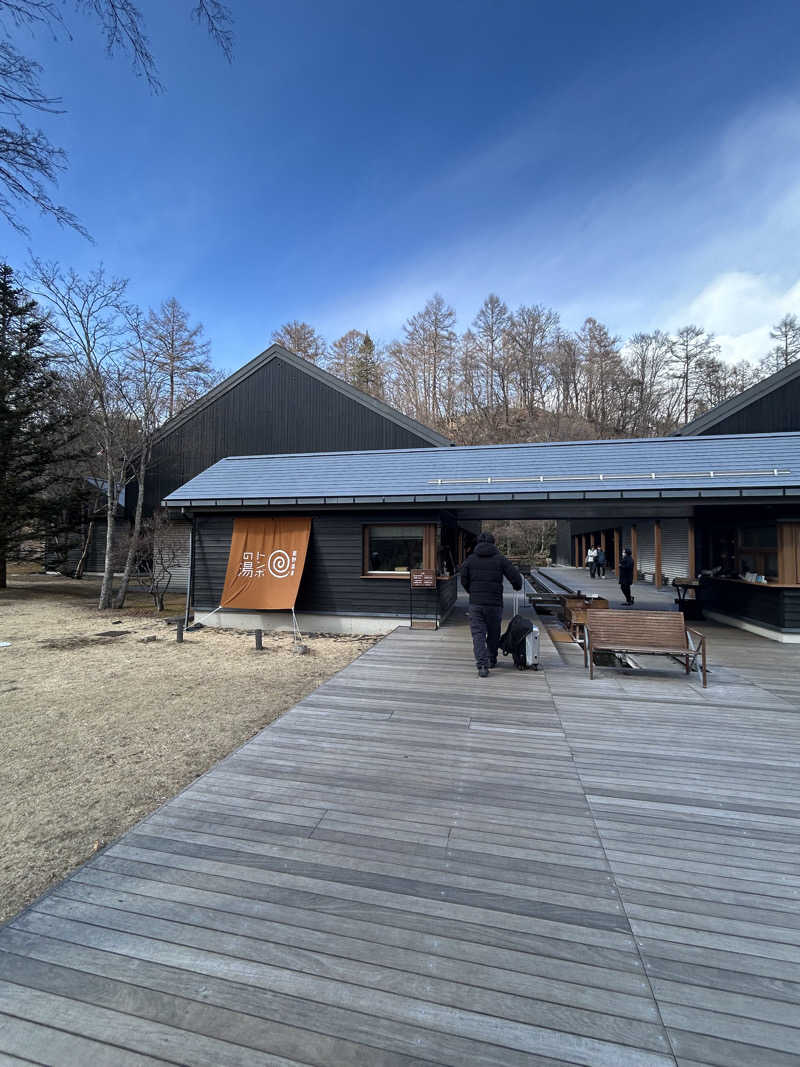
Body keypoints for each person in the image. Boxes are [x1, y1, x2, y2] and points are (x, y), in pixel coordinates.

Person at [460, 532, 523, 677]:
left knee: (478, 634)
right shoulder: (500, 559)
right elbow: (516, 578)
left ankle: (482, 665)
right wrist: (516, 586)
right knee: (494, 632)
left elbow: (463, 579)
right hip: (494, 604)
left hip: (476, 604)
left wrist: (472, 591)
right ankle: (492, 658)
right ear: (493, 543)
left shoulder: (470, 560)